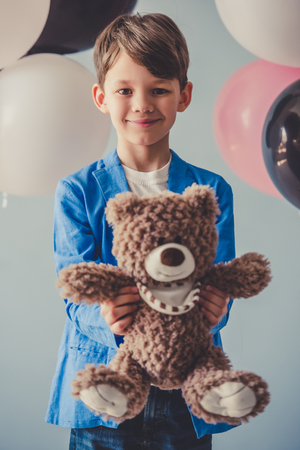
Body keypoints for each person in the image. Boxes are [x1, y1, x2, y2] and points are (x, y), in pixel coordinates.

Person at [45, 13, 236, 450]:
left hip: (185, 397)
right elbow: (75, 293)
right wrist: (106, 318)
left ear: (183, 96)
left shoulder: (211, 192)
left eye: (159, 90)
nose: (142, 104)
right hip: (105, 393)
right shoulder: (78, 191)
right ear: (101, 97)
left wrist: (216, 308)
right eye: (125, 90)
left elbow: (221, 284)